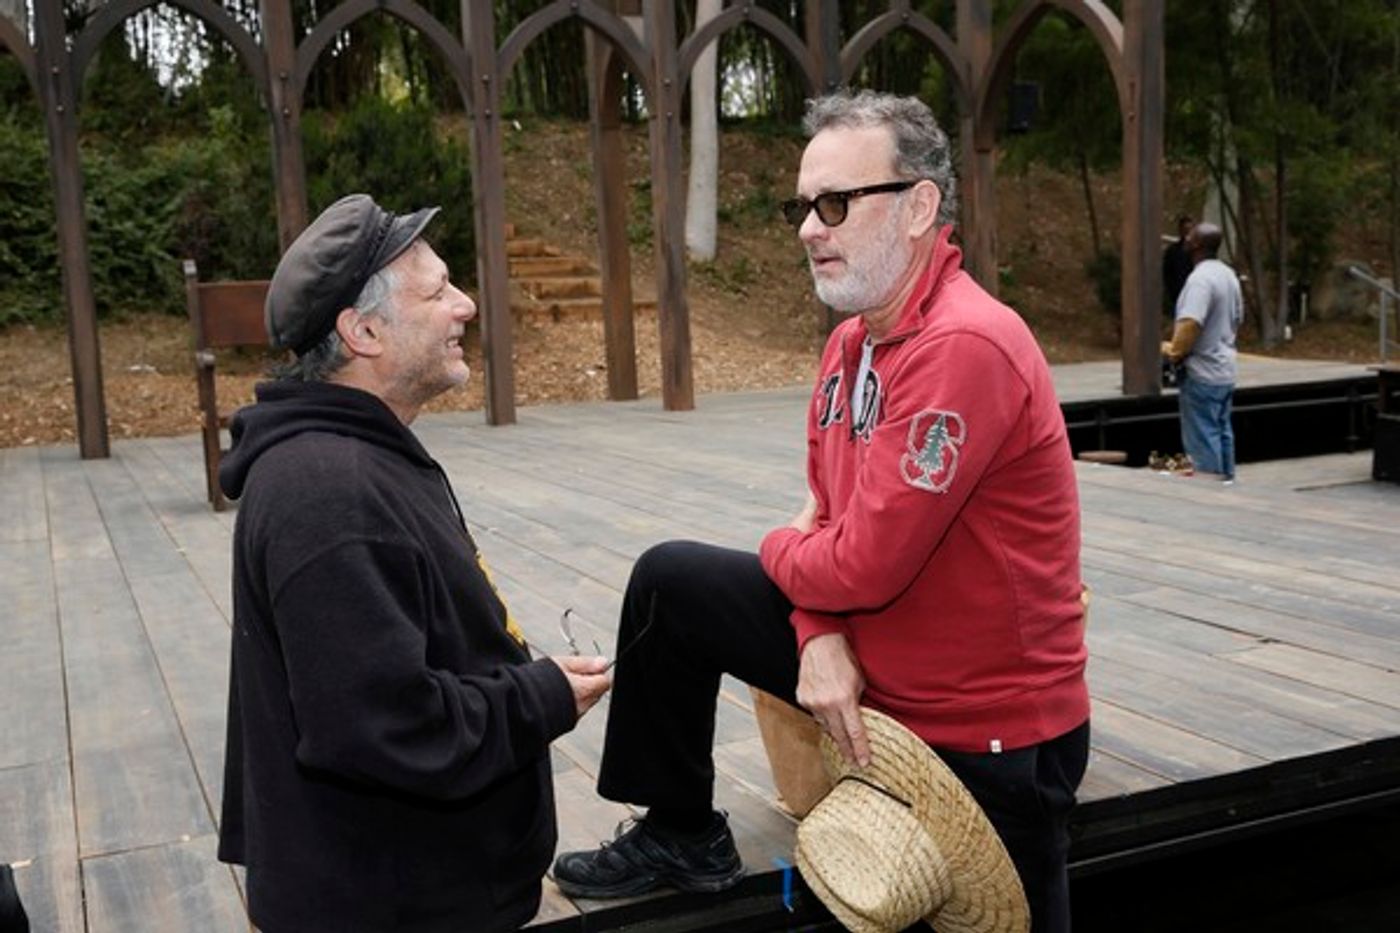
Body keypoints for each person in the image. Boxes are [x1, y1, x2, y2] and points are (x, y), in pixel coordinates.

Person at [552, 90, 1090, 933]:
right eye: (802, 205)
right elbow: (829, 515)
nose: (808, 227)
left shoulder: (964, 346)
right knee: (673, 582)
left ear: (919, 207)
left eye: (835, 203)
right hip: (880, 657)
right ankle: (682, 829)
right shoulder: (851, 343)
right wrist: (817, 631)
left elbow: (851, 556)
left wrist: (780, 551)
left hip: (984, 731)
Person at [216, 194, 613, 933]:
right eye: (436, 292)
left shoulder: (357, 456)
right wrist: (540, 696)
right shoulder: (328, 496)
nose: (464, 305)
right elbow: (386, 728)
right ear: (362, 331)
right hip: (391, 906)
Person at [1161, 221, 1243, 482]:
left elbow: (1190, 324)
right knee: (1222, 432)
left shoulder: (1200, 280)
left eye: (1190, 236)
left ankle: (1209, 490)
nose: (1185, 239)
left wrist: (1173, 351)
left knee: (1202, 438)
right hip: (1225, 368)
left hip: (1202, 371)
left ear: (1196, 244)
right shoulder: (1228, 275)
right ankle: (1228, 483)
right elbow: (1238, 317)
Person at [1162, 214, 1195, 317]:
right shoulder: (1172, 251)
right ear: (1180, 230)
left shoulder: (1197, 251)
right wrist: (1173, 293)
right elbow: (1167, 273)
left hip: (1195, 294)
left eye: (1190, 229)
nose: (1187, 232)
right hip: (1178, 294)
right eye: (1185, 229)